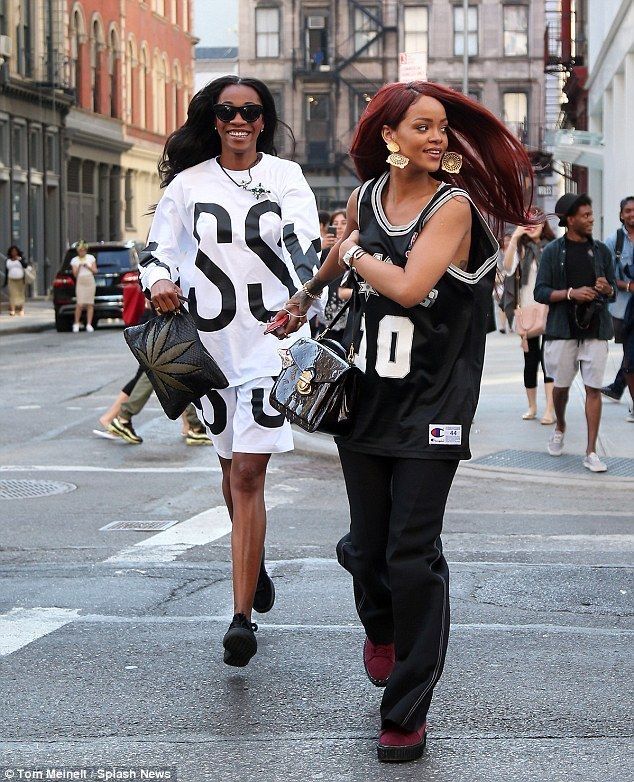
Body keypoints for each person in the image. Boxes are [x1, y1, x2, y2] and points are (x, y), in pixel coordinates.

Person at [274, 80, 534, 763]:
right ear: (390, 136)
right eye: (423, 126)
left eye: (442, 127)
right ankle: (381, 626)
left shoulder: (453, 207)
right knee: (366, 548)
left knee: (411, 556)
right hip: (366, 399)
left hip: (434, 404)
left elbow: (411, 285)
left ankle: (406, 711)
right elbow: (341, 256)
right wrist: (304, 297)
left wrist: (355, 251)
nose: (438, 137)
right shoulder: (366, 199)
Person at [138, 75, 320, 667]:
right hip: (209, 350)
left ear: (263, 119)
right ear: (212, 119)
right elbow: (157, 249)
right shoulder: (188, 186)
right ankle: (254, 559)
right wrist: (159, 279)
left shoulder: (287, 178)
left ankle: (240, 619)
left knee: (247, 475)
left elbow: (303, 247)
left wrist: (303, 301)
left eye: (250, 111)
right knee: (228, 474)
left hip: (272, 344)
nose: (238, 120)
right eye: (226, 111)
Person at [534, 193, 616, 472]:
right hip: (562, 330)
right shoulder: (553, 252)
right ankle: (560, 425)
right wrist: (571, 293)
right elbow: (540, 292)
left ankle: (591, 451)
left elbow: (612, 293)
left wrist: (608, 289)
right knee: (561, 388)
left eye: (591, 214)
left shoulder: (602, 251)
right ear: (570, 220)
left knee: (594, 389)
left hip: (596, 329)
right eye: (585, 215)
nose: (591, 219)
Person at [503, 217, 556, 423]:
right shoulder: (520, 249)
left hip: (550, 310)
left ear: (544, 225)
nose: (533, 226)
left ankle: (549, 409)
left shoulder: (551, 248)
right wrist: (515, 237)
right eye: (528, 223)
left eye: (537, 222)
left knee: (548, 361)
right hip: (527, 312)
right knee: (530, 361)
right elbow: (507, 268)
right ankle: (532, 407)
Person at [602, 196, 634, 420]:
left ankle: (617, 387)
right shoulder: (614, 241)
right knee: (630, 355)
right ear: (621, 214)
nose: (632, 214)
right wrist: (629, 285)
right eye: (628, 211)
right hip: (623, 309)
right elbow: (608, 275)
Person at [321, 209, 353, 343]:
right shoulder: (325, 252)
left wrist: (345, 293)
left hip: (350, 316)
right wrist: (321, 248)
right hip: (329, 318)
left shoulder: (356, 249)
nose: (339, 227)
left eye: (344, 222)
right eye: (335, 223)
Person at [70, 241, 97, 332]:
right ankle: (76, 323)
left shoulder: (90, 258)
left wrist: (87, 266)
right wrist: (79, 266)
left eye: (83, 250)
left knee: (90, 303)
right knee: (80, 303)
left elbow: (95, 270)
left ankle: (89, 324)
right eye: (80, 250)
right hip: (81, 281)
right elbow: (74, 274)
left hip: (89, 280)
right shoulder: (75, 260)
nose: (82, 252)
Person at [4, 246, 28, 316]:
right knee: (12, 294)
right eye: (12, 251)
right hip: (11, 280)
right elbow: (6, 271)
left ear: (17, 252)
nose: (14, 253)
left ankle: (21, 309)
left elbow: (25, 266)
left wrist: (20, 260)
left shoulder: (20, 259)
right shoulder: (8, 260)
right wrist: (5, 282)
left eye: (15, 251)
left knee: (20, 294)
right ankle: (13, 310)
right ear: (10, 252)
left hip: (20, 279)